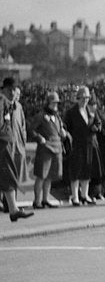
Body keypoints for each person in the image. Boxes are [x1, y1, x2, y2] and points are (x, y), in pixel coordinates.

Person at [28, 90, 71, 209]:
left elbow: (61, 131)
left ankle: (45, 199)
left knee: (50, 176)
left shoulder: (57, 117)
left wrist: (63, 133)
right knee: (41, 176)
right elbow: (31, 130)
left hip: (57, 148)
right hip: (45, 149)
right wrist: (39, 138)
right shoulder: (40, 116)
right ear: (47, 103)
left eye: (57, 103)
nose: (55, 105)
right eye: (53, 103)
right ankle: (37, 201)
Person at [64, 85, 102, 206]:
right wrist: (68, 138)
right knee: (75, 171)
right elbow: (66, 127)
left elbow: (99, 122)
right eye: (82, 98)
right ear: (78, 98)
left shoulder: (91, 110)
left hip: (89, 144)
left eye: (87, 98)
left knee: (87, 170)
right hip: (76, 145)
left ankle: (85, 195)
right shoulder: (71, 112)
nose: (85, 100)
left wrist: (96, 127)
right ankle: (75, 197)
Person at [0, 77, 32, 221]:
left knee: (8, 176)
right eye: (10, 90)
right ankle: (13, 210)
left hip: (8, 143)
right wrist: (7, 135)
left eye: (14, 90)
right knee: (8, 174)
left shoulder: (12, 105)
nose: (13, 93)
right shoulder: (2, 101)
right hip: (3, 143)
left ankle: (13, 209)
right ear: (4, 90)